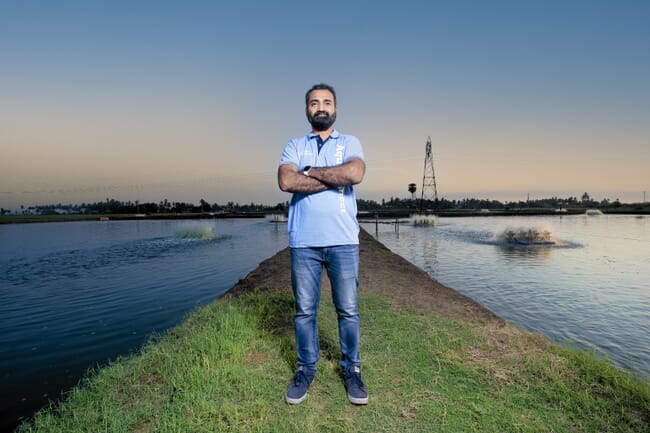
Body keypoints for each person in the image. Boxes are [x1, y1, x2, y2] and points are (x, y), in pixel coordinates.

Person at [277, 83, 368, 405]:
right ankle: (305, 368)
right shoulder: (294, 144)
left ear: (336, 109)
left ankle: (352, 368)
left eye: (327, 102)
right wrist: (332, 177)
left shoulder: (350, 142)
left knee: (348, 310)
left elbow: (355, 174)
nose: (321, 107)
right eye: (314, 102)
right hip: (304, 244)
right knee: (304, 311)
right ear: (306, 109)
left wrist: (311, 172)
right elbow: (286, 181)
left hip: (343, 241)